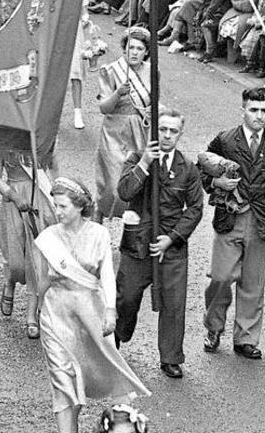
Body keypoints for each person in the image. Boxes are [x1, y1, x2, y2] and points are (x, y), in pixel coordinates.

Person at [35, 177, 150, 433]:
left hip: (90, 311)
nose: (58, 211)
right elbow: (43, 278)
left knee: (102, 369)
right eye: (56, 205)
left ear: (79, 206)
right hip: (57, 314)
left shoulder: (99, 234)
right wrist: (36, 309)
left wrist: (110, 310)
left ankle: (124, 421)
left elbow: (107, 275)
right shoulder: (48, 237)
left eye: (63, 206)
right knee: (63, 378)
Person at [202, 87, 265, 360]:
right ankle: (214, 327)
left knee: (253, 283)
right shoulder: (226, 140)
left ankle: (245, 338)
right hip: (230, 218)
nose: (259, 116)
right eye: (254, 110)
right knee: (220, 277)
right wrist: (217, 182)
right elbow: (202, 168)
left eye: (264, 111)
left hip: (261, 221)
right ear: (243, 109)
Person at [114, 109, 203, 378]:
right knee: (127, 296)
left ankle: (171, 357)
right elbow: (124, 192)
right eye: (162, 129)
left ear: (180, 133)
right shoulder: (137, 158)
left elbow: (196, 208)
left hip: (171, 245)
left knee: (174, 304)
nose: (166, 135)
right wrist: (143, 163)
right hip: (138, 243)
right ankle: (118, 334)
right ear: (154, 130)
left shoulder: (187, 168)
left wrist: (172, 238)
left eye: (172, 131)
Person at [0, 154, 54, 339]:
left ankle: (31, 315)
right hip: (13, 199)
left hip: (38, 198)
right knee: (16, 261)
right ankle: (9, 280)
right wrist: (13, 196)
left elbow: (53, 169)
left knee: (37, 261)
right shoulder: (0, 142)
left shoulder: (40, 137)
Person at [95, 27, 154, 221]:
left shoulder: (152, 72)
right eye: (131, 48)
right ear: (124, 49)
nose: (134, 52)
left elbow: (154, 101)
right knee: (113, 184)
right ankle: (100, 214)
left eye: (139, 48)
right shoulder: (110, 70)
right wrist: (118, 93)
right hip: (115, 131)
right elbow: (104, 107)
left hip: (141, 130)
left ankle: (134, 231)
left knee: (137, 181)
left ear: (146, 52)